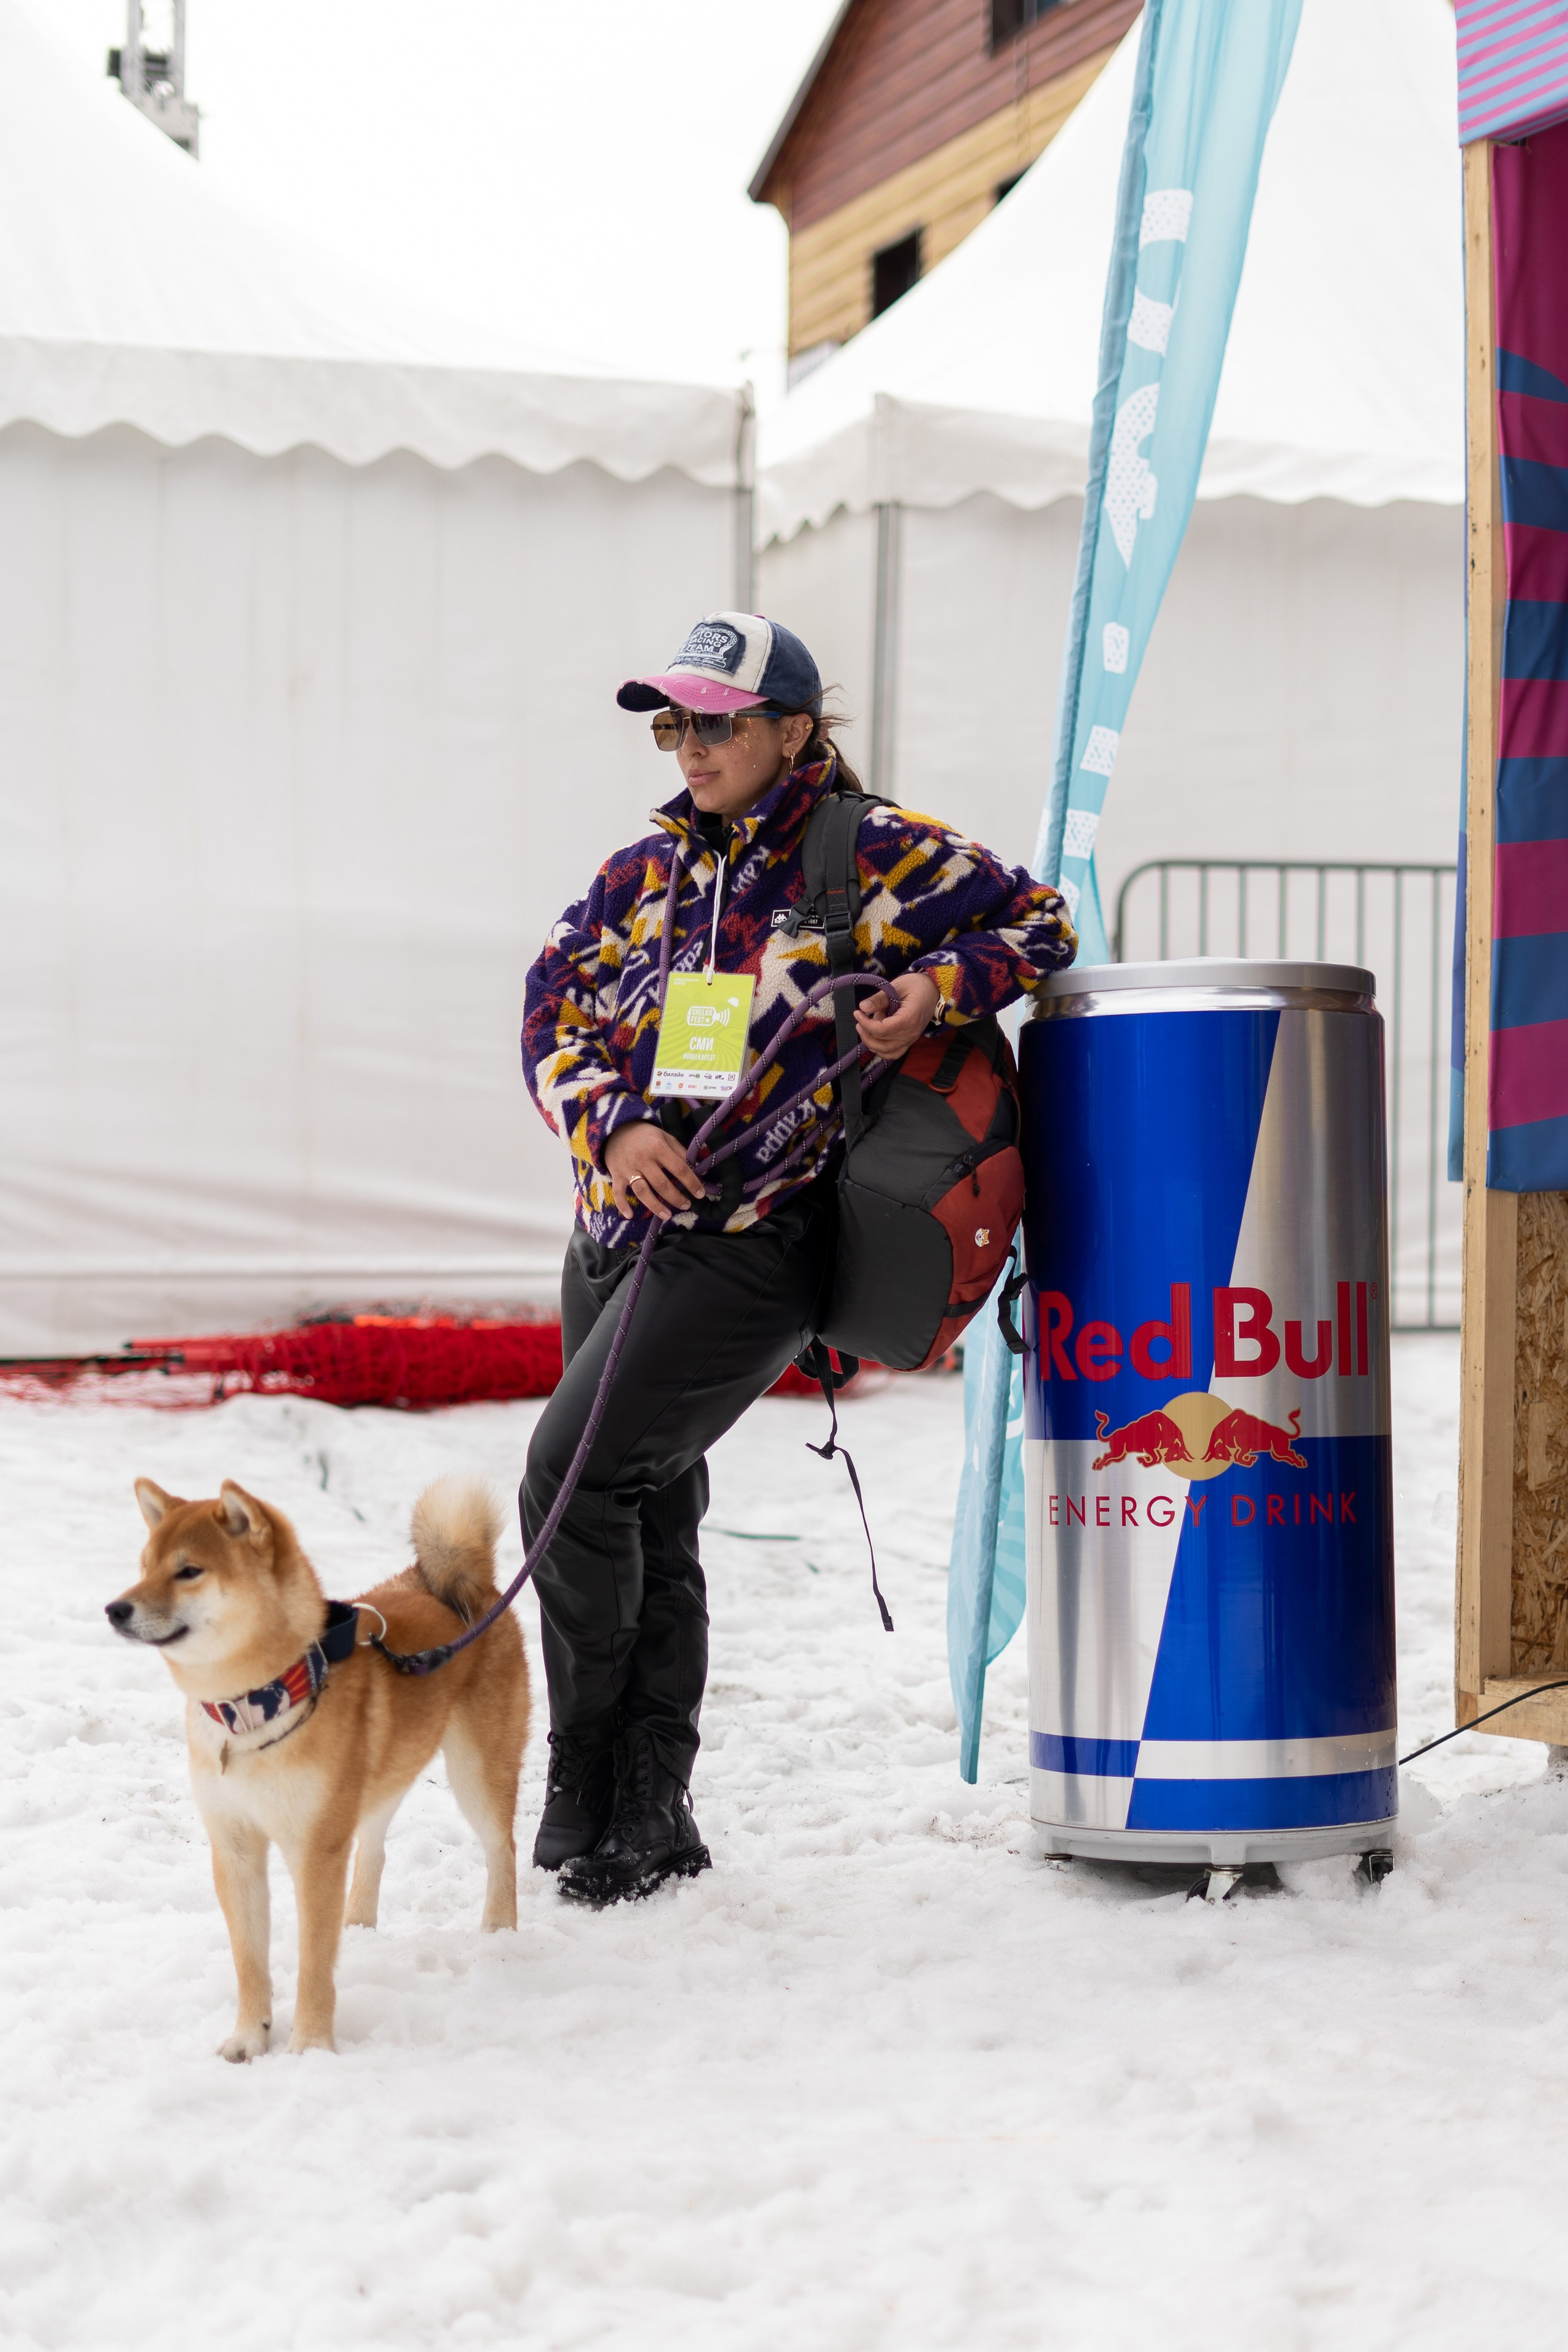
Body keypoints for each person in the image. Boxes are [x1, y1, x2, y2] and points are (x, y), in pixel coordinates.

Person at [519, 611, 1076, 1903]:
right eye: (672, 721)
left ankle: (587, 1775)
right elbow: (550, 1007)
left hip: (751, 1238)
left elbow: (1040, 924)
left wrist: (938, 989)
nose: (687, 744)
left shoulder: (869, 851)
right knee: (648, 1500)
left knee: (570, 1479)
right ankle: (649, 1813)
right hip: (613, 1227)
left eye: (714, 721)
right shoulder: (638, 873)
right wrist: (612, 1125)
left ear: (790, 728)